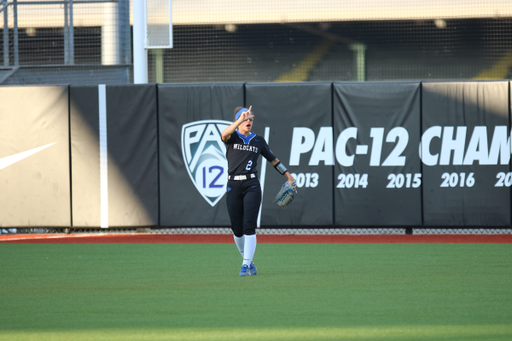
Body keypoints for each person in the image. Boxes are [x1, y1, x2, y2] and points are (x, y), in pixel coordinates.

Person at [221, 105, 296, 277]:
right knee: (237, 229)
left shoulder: (258, 140)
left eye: (250, 119)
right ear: (237, 121)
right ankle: (248, 261)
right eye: (245, 118)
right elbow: (224, 135)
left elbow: (274, 160)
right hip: (233, 185)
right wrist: (240, 118)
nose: (248, 121)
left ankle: (245, 265)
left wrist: (288, 175)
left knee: (249, 226)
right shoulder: (232, 137)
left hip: (252, 185)